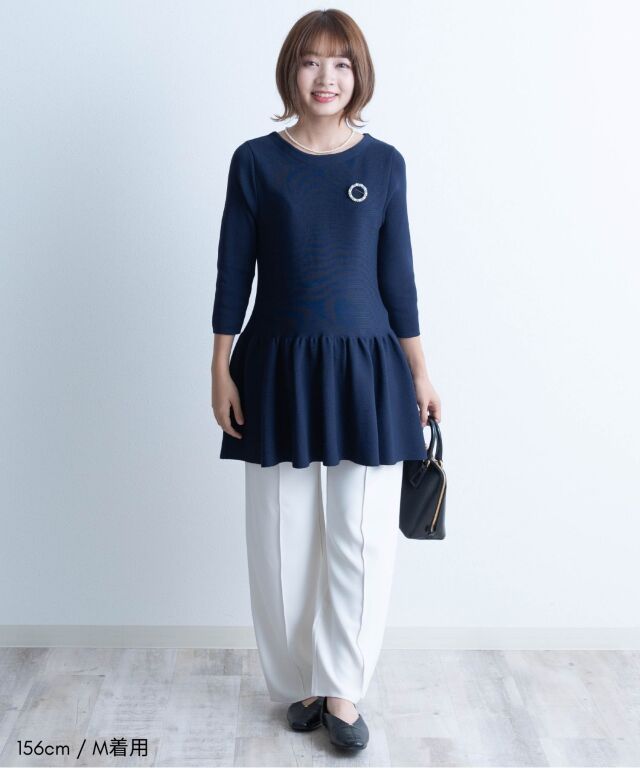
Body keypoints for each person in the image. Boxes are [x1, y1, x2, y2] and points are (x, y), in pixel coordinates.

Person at [210, 9, 441, 752]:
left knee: (362, 535)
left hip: (369, 370)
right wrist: (219, 367)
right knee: (280, 536)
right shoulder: (255, 161)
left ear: (359, 75)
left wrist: (421, 373)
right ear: (292, 71)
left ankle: (343, 689)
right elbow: (233, 272)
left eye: (341, 64)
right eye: (311, 61)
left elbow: (398, 280)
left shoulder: (385, 164)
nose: (326, 78)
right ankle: (300, 683)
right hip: (275, 365)